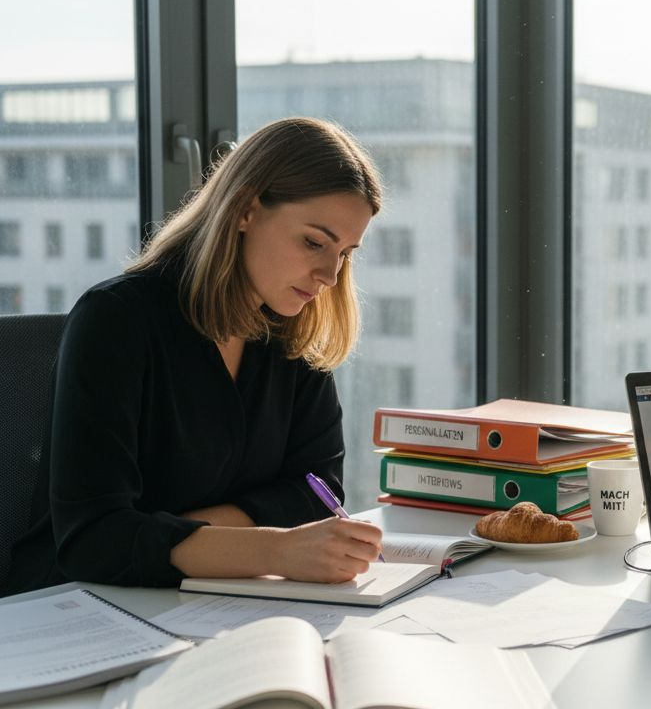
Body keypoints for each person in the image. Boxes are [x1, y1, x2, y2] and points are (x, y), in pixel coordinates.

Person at [3, 117, 386, 594]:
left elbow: (313, 496)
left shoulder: (292, 335)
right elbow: (94, 542)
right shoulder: (117, 320)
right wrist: (275, 550)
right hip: (76, 605)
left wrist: (163, 534)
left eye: (347, 253)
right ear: (245, 210)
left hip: (209, 600)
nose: (330, 274)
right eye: (314, 242)